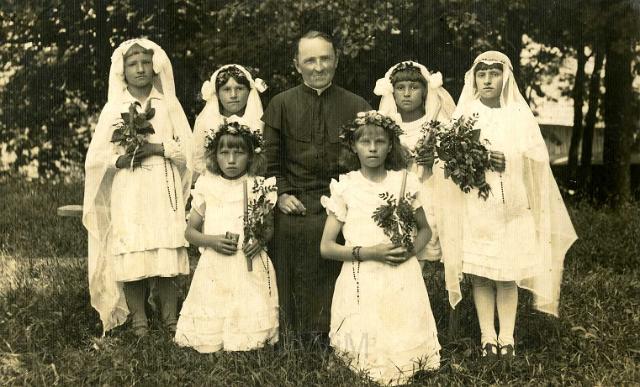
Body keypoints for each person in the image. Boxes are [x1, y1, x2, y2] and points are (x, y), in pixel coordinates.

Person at [439, 51, 577, 358]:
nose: (487, 79)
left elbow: (536, 161)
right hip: (476, 205)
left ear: (506, 78)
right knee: (481, 271)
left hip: (511, 206)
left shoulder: (517, 113)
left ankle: (508, 336)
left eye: (494, 73)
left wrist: (510, 159)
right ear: (473, 78)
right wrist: (478, 158)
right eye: (482, 73)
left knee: (507, 272)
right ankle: (488, 334)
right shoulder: (466, 113)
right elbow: (450, 159)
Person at [262, 30, 371, 339]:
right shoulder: (280, 104)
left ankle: (336, 332)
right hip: (296, 197)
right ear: (297, 65)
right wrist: (281, 193)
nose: (319, 67)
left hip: (343, 199)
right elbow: (270, 161)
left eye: (325, 59)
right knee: (289, 229)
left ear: (336, 61)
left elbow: (369, 159)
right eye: (310, 60)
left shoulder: (357, 105)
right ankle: (294, 332)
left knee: (338, 232)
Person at [320, 111, 440, 385]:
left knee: (401, 343)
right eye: (365, 142)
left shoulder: (404, 182)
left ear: (390, 145)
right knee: (365, 350)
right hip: (363, 274)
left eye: (380, 142)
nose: (373, 148)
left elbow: (425, 230)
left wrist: (408, 252)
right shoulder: (346, 186)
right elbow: (326, 247)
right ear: (353, 146)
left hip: (401, 273)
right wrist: (370, 252)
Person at [83, 38, 193, 336]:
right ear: (123, 70)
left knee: (165, 249)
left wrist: (156, 148)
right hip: (129, 189)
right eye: (133, 64)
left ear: (155, 66)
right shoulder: (113, 109)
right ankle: (140, 320)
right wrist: (122, 159)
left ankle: (170, 319)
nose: (140, 69)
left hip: (161, 184)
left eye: (145, 62)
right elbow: (96, 158)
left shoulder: (168, 105)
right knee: (132, 249)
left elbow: (189, 153)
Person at [174, 117, 279, 352]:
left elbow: (269, 226)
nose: (231, 160)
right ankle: (214, 338)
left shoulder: (258, 185)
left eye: (239, 153)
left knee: (249, 306)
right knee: (214, 309)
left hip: (249, 260)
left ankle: (249, 340)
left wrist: (260, 241)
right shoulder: (207, 185)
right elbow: (190, 232)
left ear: (251, 156)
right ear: (214, 156)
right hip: (215, 262)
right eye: (224, 153)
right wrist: (212, 241)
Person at [375, 61, 456, 264]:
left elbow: (452, 166)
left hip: (429, 192)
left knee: (425, 242)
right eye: (400, 88)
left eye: (414, 87)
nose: (407, 93)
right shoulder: (385, 126)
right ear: (392, 93)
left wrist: (434, 160)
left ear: (425, 92)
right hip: (395, 193)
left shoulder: (438, 125)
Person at [191, 64, 267, 177]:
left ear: (250, 91)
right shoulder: (206, 123)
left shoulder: (260, 122)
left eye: (239, 88)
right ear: (217, 94)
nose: (233, 95)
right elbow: (199, 162)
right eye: (226, 89)